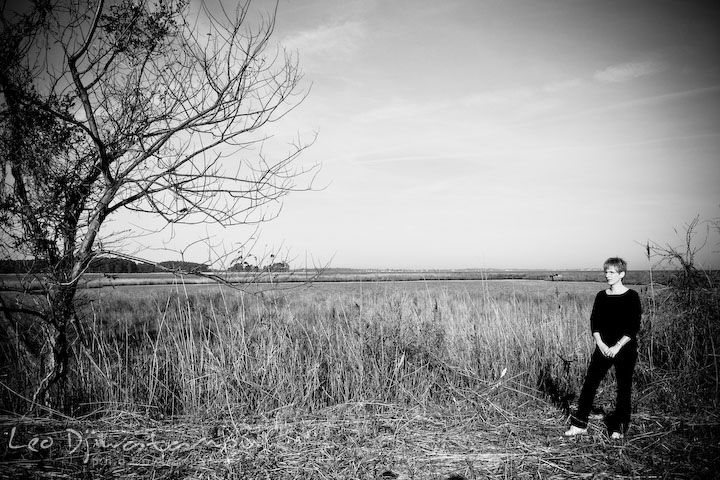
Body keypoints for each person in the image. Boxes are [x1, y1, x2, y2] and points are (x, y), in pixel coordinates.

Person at [564, 257, 642, 439]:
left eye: (612, 272)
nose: (607, 275)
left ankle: (618, 428)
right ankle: (579, 424)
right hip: (602, 347)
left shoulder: (632, 296)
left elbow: (633, 326)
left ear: (621, 274)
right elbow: (595, 322)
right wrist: (600, 343)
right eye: (606, 271)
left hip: (625, 349)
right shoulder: (601, 296)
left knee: (624, 388)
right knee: (590, 384)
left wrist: (617, 346)